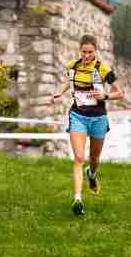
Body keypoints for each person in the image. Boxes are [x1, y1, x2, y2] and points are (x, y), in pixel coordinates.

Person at [50, 34, 124, 216]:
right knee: (78, 158)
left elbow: (120, 93)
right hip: (78, 116)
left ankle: (91, 174)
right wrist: (58, 92)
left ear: (95, 51)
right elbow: (68, 81)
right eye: (83, 52)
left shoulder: (103, 69)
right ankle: (77, 200)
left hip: (98, 118)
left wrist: (105, 96)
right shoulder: (73, 66)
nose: (86, 55)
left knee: (94, 159)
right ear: (79, 50)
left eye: (90, 52)